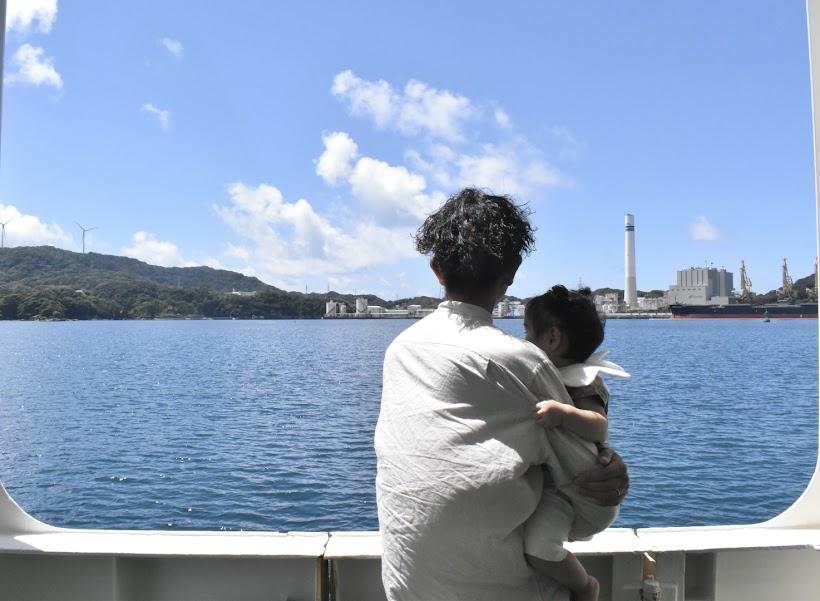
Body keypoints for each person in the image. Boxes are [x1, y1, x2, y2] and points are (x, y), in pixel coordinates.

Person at [375, 188, 629, 601]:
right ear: (511, 272)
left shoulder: (399, 351)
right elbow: (592, 495)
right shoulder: (524, 363)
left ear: (436, 269)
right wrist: (615, 477)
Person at [522, 285, 631, 601]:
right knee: (539, 547)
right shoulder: (551, 375)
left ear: (552, 338)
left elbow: (599, 428)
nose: (524, 340)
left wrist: (563, 413)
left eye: (528, 331)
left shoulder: (585, 381)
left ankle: (585, 587)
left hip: (574, 494)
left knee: (540, 548)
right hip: (562, 487)